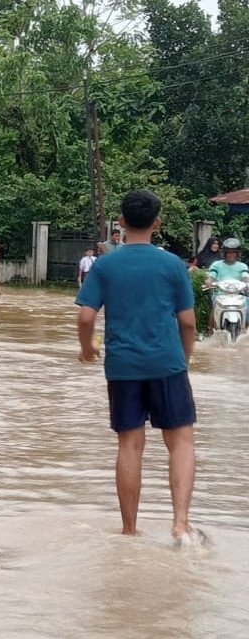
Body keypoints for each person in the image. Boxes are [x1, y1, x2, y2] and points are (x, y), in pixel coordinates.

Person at [75, 190, 201, 546]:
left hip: (123, 366)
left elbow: (86, 316)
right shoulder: (174, 265)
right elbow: (188, 323)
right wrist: (184, 360)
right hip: (167, 364)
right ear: (157, 223)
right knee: (181, 442)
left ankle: (129, 530)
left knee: (130, 445)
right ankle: (180, 525)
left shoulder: (106, 265)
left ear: (122, 223)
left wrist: (86, 349)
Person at [203, 237, 249, 332]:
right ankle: (211, 331)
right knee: (215, 308)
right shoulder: (217, 265)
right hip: (220, 294)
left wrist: (247, 283)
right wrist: (209, 281)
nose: (230, 255)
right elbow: (212, 276)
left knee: (247, 306)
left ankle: (246, 329)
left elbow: (245, 277)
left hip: (238, 295)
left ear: (238, 254)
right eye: (228, 252)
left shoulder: (242, 266)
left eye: (233, 252)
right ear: (224, 253)